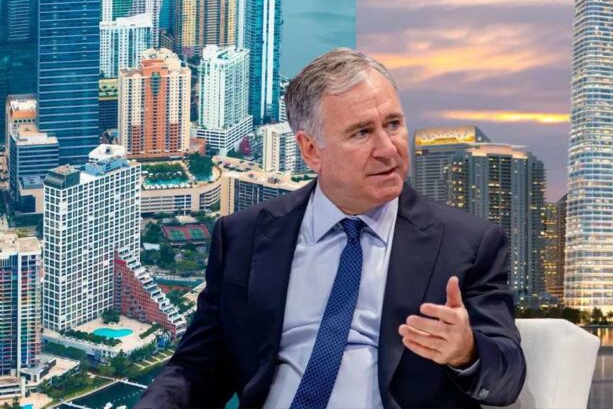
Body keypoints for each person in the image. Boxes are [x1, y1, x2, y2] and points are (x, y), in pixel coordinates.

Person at [137, 48, 526, 408]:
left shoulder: (468, 244)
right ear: (311, 150)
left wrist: (466, 351)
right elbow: (197, 368)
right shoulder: (244, 236)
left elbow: (507, 378)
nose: (388, 148)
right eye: (361, 132)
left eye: (393, 124)